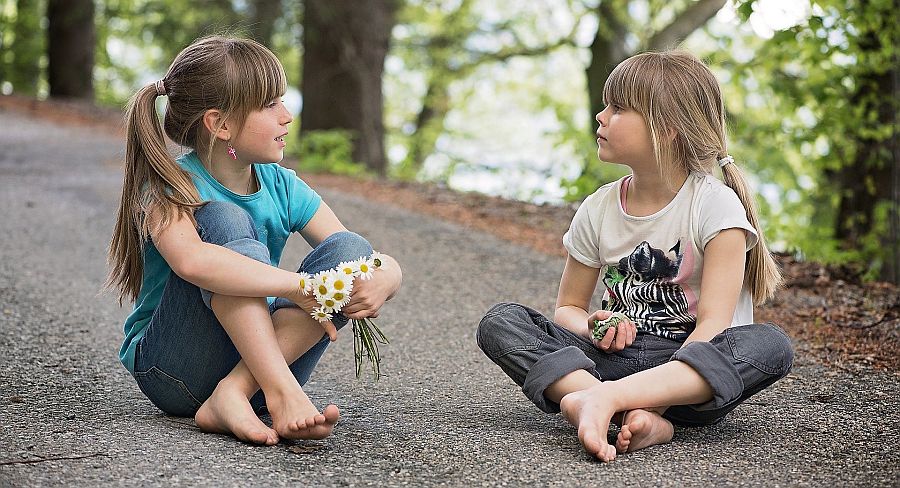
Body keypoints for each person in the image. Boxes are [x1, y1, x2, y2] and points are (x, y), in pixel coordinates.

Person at [476, 51, 793, 462]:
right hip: (606, 362)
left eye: (619, 108)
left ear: (669, 129)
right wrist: (594, 326)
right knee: (502, 322)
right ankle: (606, 405)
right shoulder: (599, 207)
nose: (601, 116)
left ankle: (593, 402)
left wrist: (653, 401)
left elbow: (712, 328)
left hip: (686, 379)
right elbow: (568, 308)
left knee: (770, 345)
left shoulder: (715, 207)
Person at [106, 36, 402, 445]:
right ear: (220, 124)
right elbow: (192, 263)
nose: (287, 116)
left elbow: (355, 253)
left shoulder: (281, 185)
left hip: (262, 368)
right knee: (223, 217)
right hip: (176, 370)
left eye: (282, 101)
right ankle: (277, 392)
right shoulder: (169, 187)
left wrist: (388, 275)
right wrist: (299, 287)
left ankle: (236, 392)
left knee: (350, 250)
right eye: (269, 105)